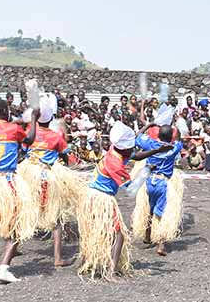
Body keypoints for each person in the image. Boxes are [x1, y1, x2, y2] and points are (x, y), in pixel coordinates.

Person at [77, 122, 172, 280]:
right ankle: (111, 272)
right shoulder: (115, 164)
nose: (133, 148)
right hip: (101, 198)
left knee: (94, 231)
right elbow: (131, 190)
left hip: (91, 195)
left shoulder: (115, 149)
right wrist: (147, 170)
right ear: (125, 148)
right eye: (130, 146)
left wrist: (156, 150)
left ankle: (86, 263)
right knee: (119, 234)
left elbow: (135, 154)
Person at [0, 97, 38, 284]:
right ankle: (4, 269)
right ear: (4, 111)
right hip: (5, 181)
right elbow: (29, 139)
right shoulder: (13, 129)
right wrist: (34, 119)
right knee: (16, 224)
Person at [15, 95, 82, 268]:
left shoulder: (30, 133)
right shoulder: (56, 136)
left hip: (28, 174)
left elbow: (23, 149)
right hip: (48, 176)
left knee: (23, 210)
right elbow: (64, 154)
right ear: (51, 119)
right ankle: (58, 258)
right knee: (56, 216)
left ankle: (14, 247)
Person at [131, 124, 185, 257]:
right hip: (163, 184)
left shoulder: (150, 144)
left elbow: (136, 136)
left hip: (149, 182)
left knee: (149, 209)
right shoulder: (174, 147)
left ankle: (147, 236)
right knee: (162, 214)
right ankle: (161, 245)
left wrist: (149, 125)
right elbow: (179, 139)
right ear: (171, 137)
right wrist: (176, 129)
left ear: (158, 135)